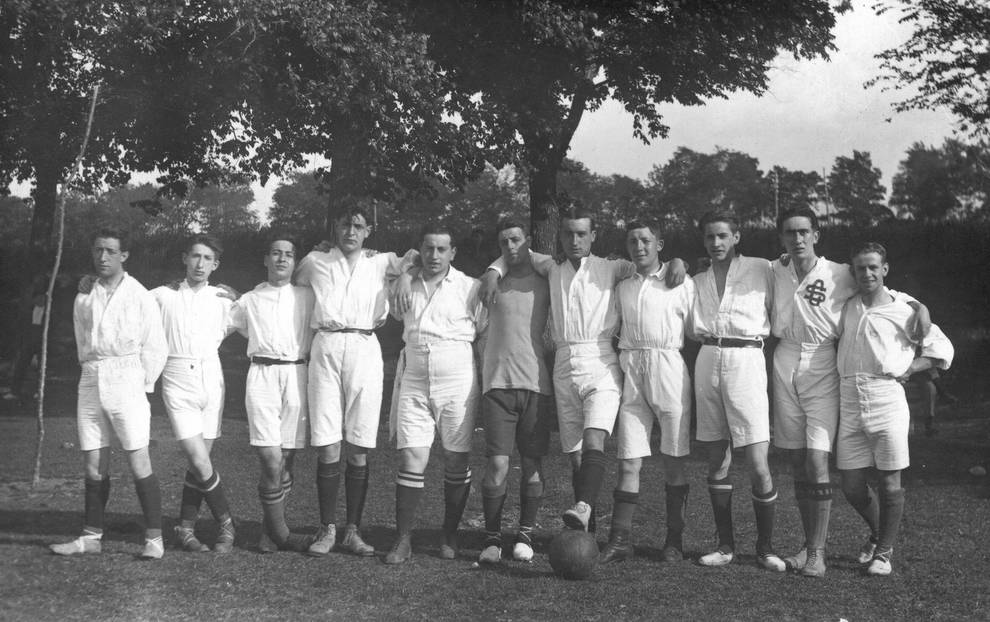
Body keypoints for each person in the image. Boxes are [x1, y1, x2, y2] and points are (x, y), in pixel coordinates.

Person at [481, 203, 684, 534]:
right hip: (563, 361)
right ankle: (583, 535)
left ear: (593, 235)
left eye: (581, 234)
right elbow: (515, 251)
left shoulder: (613, 267)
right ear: (560, 236)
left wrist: (678, 261)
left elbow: (649, 263)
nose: (574, 240)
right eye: (568, 234)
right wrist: (493, 271)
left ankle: (584, 506)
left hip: (601, 359)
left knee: (595, 439)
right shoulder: (550, 267)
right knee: (575, 455)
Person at [771, 207, 930, 577]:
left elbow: (880, 289)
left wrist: (919, 305)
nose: (797, 239)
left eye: (803, 232)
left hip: (824, 361)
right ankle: (809, 545)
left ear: (816, 234)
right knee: (797, 460)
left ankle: (818, 554)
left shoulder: (839, 272)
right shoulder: (774, 269)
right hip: (784, 361)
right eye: (789, 233)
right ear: (781, 238)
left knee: (816, 459)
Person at [294, 206, 417, 557]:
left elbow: (421, 256)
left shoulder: (381, 262)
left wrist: (405, 275)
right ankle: (327, 528)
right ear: (335, 227)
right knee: (328, 441)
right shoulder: (315, 260)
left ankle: (353, 530)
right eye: (345, 224)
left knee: (359, 443)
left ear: (368, 231)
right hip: (327, 345)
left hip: (365, 345)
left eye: (358, 225)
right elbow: (289, 285)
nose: (351, 230)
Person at [836, 242, 953, 576]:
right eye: (861, 268)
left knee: (890, 482)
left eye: (874, 267)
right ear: (853, 271)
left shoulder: (904, 310)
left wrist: (911, 368)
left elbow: (941, 348)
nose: (868, 273)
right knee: (852, 485)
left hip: (886, 396)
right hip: (849, 397)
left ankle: (884, 553)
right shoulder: (846, 305)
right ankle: (877, 534)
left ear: (884, 269)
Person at [50, 227, 168, 559]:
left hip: (127, 378)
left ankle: (155, 539)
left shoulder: (140, 295)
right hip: (90, 377)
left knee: (138, 459)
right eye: (98, 250)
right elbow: (81, 336)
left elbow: (156, 346)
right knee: (93, 463)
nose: (103, 257)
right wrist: (90, 367)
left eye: (111, 251)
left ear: (124, 255)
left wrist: (141, 385)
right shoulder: (84, 294)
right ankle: (91, 536)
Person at [382, 223, 486, 564]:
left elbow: (483, 331)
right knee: (412, 456)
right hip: (414, 372)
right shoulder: (405, 285)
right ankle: (403, 538)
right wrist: (405, 273)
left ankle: (450, 533)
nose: (435, 255)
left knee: (456, 457)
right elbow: (391, 295)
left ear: (453, 253)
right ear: (420, 251)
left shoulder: (470, 287)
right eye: (428, 248)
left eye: (442, 249)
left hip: (457, 375)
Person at [691, 211, 784, 571]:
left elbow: (800, 282)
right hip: (708, 357)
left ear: (737, 236)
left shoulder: (764, 268)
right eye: (710, 237)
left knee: (758, 462)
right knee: (717, 459)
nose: (716, 243)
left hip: (746, 358)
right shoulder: (696, 279)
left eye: (723, 236)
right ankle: (725, 546)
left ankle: (765, 548)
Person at [600, 220, 695, 564]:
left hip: (668, 367)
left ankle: (674, 541)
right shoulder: (623, 285)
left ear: (660, 244)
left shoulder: (680, 281)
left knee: (674, 459)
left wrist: (681, 264)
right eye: (632, 241)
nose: (639, 246)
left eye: (645, 240)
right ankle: (620, 539)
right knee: (628, 459)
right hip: (633, 371)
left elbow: (696, 329)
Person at [228, 235, 316, 553]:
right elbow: (219, 319)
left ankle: (268, 531)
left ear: (296, 262)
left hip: (296, 374)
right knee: (270, 458)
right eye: (275, 254)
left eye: (289, 255)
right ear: (265, 259)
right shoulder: (249, 299)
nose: (281, 259)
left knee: (287, 458)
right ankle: (282, 533)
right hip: (262, 375)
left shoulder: (307, 296)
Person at [151, 234, 236, 553]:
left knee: (200, 462)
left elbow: (256, 317)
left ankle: (185, 528)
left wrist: (238, 294)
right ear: (185, 258)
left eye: (207, 258)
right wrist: (91, 281)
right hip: (176, 377)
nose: (200, 264)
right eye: (195, 256)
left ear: (216, 264)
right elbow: (127, 303)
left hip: (211, 378)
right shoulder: (162, 295)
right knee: (197, 457)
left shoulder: (224, 299)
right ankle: (226, 523)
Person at [476, 219, 553, 564]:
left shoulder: (547, 280)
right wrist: (494, 270)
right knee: (497, 464)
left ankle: (525, 533)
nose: (510, 246)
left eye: (516, 239)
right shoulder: (490, 281)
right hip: (497, 385)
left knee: (532, 464)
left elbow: (558, 266)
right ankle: (492, 537)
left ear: (528, 241)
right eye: (504, 241)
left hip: (536, 384)